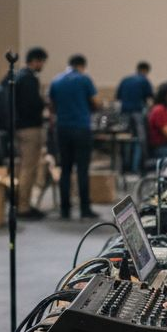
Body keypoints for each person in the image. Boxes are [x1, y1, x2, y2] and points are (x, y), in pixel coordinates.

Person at [49, 53, 100, 219]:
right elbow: (96, 103)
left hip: (62, 129)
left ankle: (65, 209)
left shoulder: (56, 80)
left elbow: (51, 105)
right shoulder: (84, 79)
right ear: (82, 66)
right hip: (81, 128)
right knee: (82, 170)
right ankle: (85, 208)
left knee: (65, 169)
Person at [12, 47, 48, 219]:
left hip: (21, 127)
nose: (42, 66)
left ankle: (22, 204)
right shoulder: (28, 79)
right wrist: (43, 104)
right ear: (36, 60)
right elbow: (33, 105)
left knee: (25, 168)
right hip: (29, 128)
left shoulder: (19, 76)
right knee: (28, 168)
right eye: (42, 62)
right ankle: (23, 207)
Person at [117, 61, 155, 172]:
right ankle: (136, 167)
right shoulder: (144, 80)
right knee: (139, 140)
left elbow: (118, 97)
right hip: (138, 113)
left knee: (126, 139)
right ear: (146, 71)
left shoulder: (125, 80)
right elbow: (150, 98)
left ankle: (125, 167)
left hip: (124, 113)